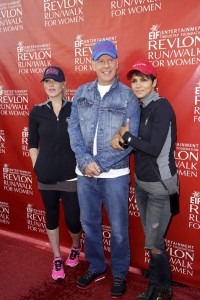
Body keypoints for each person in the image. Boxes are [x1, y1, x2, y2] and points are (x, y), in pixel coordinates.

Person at [68, 40, 140, 298]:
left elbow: (130, 137)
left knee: (119, 227)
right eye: (100, 60)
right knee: (89, 223)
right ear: (93, 64)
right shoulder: (82, 93)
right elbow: (73, 129)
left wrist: (99, 164)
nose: (106, 65)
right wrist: (85, 161)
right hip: (84, 172)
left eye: (110, 60)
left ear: (117, 62)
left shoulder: (128, 95)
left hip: (115, 174)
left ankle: (119, 272)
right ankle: (97, 266)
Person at [112, 60, 178, 300]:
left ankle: (163, 288)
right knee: (153, 241)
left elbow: (153, 148)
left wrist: (127, 136)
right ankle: (155, 285)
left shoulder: (162, 107)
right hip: (142, 185)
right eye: (135, 80)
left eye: (144, 79)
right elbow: (131, 143)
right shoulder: (139, 108)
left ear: (154, 83)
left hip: (161, 187)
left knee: (154, 242)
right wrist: (120, 140)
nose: (138, 85)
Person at [28, 66, 82, 281]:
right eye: (46, 81)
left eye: (55, 81)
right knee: (51, 216)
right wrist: (37, 165)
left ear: (63, 85)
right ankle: (57, 257)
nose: (50, 85)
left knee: (73, 221)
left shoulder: (75, 109)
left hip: (71, 176)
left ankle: (76, 246)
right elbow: (32, 142)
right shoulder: (37, 111)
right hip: (46, 176)